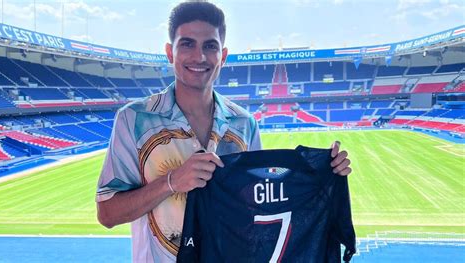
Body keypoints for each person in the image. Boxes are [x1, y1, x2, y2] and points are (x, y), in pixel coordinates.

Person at [96, 1, 352, 262]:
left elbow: (259, 203)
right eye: (187, 44)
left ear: (223, 55)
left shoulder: (244, 124)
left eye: (210, 46)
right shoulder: (134, 119)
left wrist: (321, 174)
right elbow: (107, 214)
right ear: (169, 53)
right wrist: (171, 182)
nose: (199, 57)